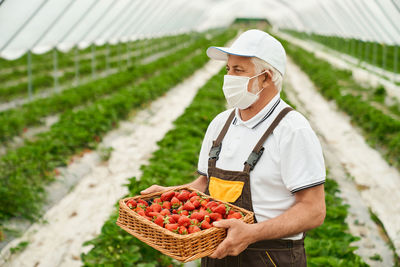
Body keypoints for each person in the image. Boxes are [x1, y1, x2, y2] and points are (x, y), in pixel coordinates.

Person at [141, 29, 326, 266]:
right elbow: (205, 184)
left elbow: (313, 210)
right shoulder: (221, 123)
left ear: (266, 78)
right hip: (217, 252)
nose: (229, 77)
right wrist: (168, 194)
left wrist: (252, 233)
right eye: (228, 69)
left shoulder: (292, 130)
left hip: (269, 256)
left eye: (238, 70)